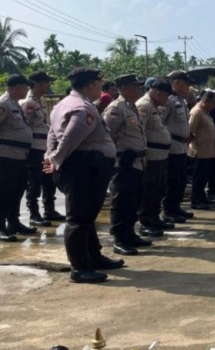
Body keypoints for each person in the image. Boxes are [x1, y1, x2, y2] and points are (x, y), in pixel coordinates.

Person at [44, 67, 121, 284]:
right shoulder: (81, 107)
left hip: (84, 165)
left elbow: (52, 133)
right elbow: (71, 136)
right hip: (85, 167)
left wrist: (51, 155)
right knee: (79, 218)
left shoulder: (63, 104)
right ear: (89, 85)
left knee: (86, 216)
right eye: (99, 84)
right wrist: (56, 158)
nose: (101, 87)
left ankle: (93, 257)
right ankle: (79, 267)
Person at [103, 74, 148, 255]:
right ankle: (120, 239)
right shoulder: (116, 108)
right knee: (121, 201)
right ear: (125, 88)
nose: (139, 89)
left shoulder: (131, 107)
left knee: (133, 201)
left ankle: (130, 234)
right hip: (124, 163)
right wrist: (117, 155)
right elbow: (106, 135)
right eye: (135, 86)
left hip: (137, 162)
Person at [20, 70, 63, 227]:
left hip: (44, 147)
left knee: (49, 180)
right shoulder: (28, 104)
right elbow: (24, 127)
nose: (48, 85)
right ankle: (34, 213)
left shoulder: (40, 101)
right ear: (37, 84)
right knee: (34, 182)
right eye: (46, 82)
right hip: (34, 148)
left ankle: (49, 210)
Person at [136, 78, 173, 235]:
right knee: (149, 191)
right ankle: (146, 222)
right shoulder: (144, 106)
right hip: (151, 157)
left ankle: (155, 218)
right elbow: (140, 132)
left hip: (160, 157)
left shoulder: (153, 106)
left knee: (158, 189)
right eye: (166, 96)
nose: (167, 100)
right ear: (158, 94)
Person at [0, 74, 34, 241]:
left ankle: (13, 222)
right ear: (18, 87)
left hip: (20, 156)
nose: (28, 90)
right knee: (4, 192)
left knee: (17, 190)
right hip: (6, 156)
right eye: (26, 87)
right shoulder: (3, 104)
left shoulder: (15, 105)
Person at [161, 70, 194, 222]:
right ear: (176, 83)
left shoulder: (181, 101)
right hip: (172, 147)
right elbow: (161, 123)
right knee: (172, 180)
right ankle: (168, 210)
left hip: (182, 146)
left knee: (181, 180)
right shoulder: (168, 101)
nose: (188, 87)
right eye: (186, 84)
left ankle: (176, 207)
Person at [188, 91, 215, 210]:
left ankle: (202, 197)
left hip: (207, 151)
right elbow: (190, 131)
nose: (214, 107)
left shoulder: (205, 112)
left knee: (204, 177)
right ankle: (196, 200)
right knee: (199, 178)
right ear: (206, 102)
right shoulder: (196, 112)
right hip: (199, 151)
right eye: (213, 104)